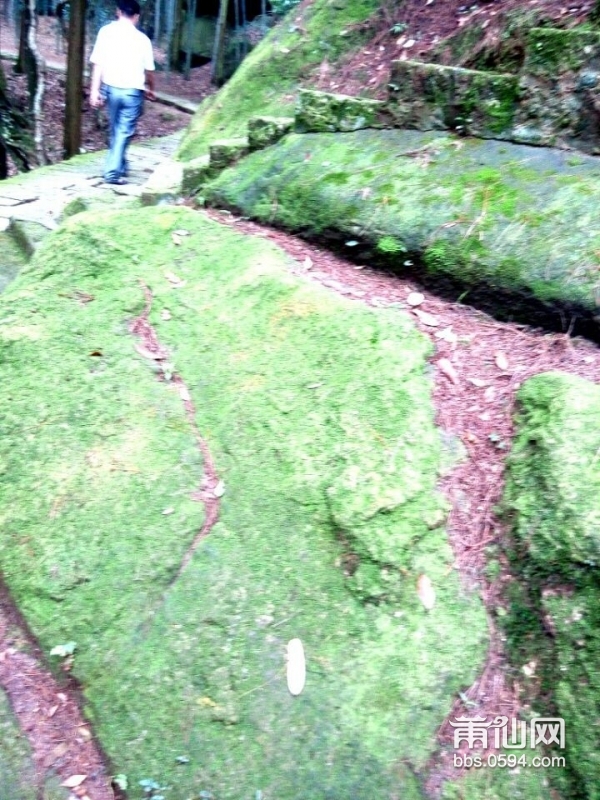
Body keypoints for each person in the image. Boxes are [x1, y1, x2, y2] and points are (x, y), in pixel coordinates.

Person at [89, 0, 156, 185]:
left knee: (116, 129)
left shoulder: (105, 33)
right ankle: (112, 173)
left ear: (118, 12)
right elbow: (149, 71)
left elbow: (98, 64)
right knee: (123, 131)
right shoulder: (143, 40)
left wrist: (94, 91)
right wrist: (151, 88)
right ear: (136, 17)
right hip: (132, 93)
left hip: (111, 89)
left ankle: (120, 164)